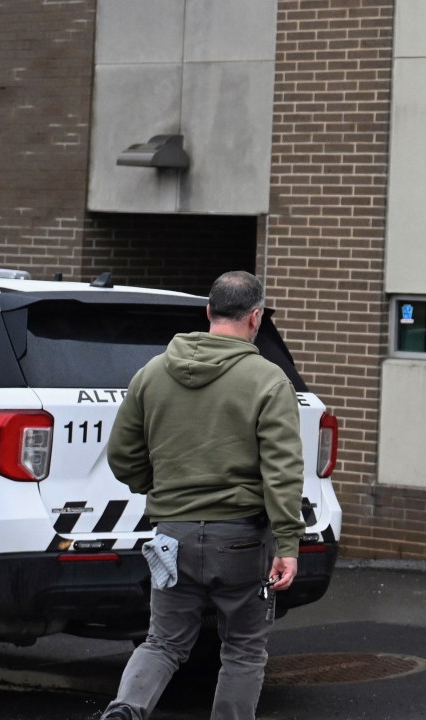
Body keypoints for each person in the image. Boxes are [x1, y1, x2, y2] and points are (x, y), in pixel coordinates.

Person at [99, 272, 305, 720]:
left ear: (208, 312)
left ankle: (126, 709)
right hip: (243, 541)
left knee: (163, 642)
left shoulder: (151, 374)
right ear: (256, 318)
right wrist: (288, 544)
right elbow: (283, 471)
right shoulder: (268, 381)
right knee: (244, 651)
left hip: (171, 536)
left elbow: (121, 457)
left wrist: (159, 488)